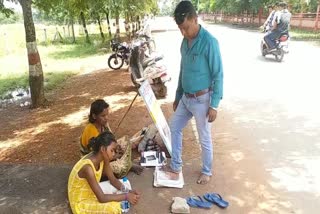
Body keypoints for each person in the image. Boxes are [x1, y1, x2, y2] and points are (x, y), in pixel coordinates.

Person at [162, 1, 223, 185]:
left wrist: (214, 104)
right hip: (186, 99)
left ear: (195, 19)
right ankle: (176, 164)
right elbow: (183, 70)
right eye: (180, 29)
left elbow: (218, 74)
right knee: (174, 127)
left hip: (202, 100)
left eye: (186, 28)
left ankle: (206, 171)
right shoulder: (184, 42)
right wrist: (178, 95)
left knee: (203, 137)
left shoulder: (209, 42)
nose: (184, 32)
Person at [68, 131, 141, 214]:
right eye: (112, 150)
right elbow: (102, 198)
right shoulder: (88, 168)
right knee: (115, 208)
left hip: (90, 191)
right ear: (103, 149)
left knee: (121, 183)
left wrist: (129, 191)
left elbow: (113, 180)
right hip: (81, 202)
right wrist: (126, 196)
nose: (114, 154)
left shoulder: (102, 158)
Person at [80, 99, 144, 178]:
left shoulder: (103, 124)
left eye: (107, 115)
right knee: (119, 168)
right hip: (96, 161)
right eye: (103, 116)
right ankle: (127, 165)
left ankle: (126, 164)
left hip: (105, 151)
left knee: (126, 140)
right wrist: (115, 155)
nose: (106, 118)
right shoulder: (91, 131)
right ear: (94, 116)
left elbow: (111, 138)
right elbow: (99, 155)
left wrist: (116, 148)